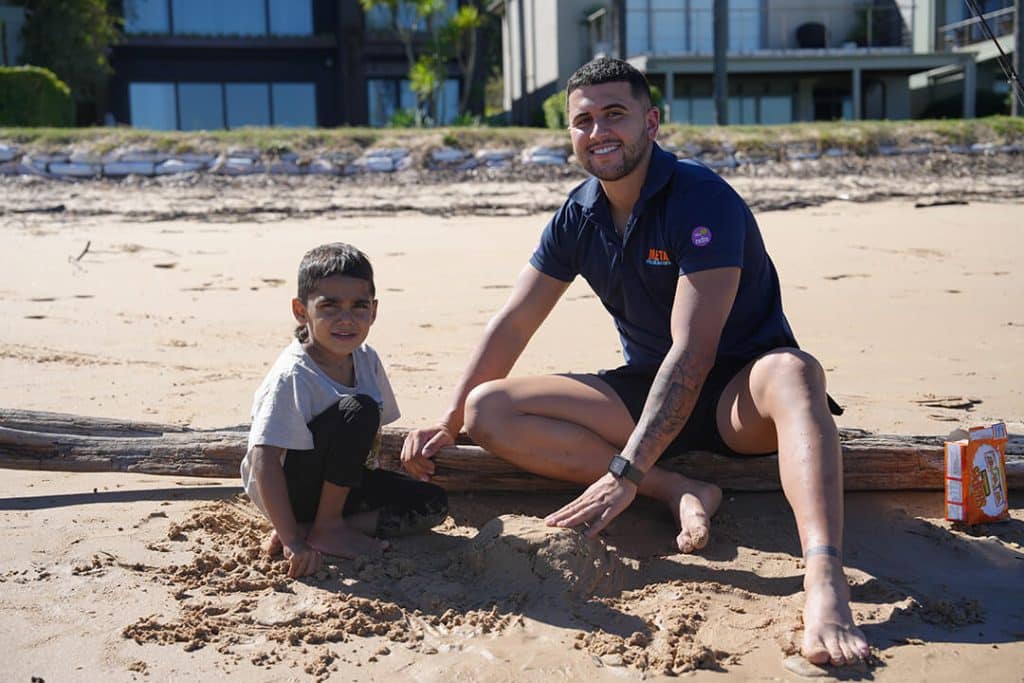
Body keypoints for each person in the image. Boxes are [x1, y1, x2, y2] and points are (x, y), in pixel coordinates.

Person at [401, 58, 869, 666]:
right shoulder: (580, 213)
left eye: (614, 115)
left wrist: (623, 472)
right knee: (488, 407)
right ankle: (677, 488)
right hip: (648, 394)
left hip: (740, 401)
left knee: (796, 370)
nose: (598, 132)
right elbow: (515, 320)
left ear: (651, 121)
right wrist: (449, 420)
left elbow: (695, 351)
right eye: (584, 121)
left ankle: (824, 580)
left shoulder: (701, 198)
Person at [241, 242, 447, 578]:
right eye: (330, 306)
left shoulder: (366, 359)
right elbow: (263, 461)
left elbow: (369, 444)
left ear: (374, 311)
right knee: (358, 409)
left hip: (339, 486)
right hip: (292, 490)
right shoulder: (294, 374)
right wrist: (292, 541)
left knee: (432, 503)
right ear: (300, 311)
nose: (346, 319)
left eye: (358, 307)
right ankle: (324, 528)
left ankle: (320, 526)